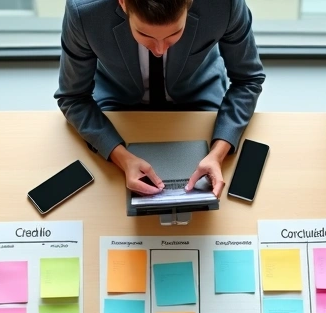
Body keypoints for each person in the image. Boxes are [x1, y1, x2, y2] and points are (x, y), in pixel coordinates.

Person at [56, 0, 265, 197]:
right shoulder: (84, 11)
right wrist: (122, 158)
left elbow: (247, 80)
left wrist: (217, 154)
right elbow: (74, 97)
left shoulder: (223, 4)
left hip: (198, 92)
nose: (159, 50)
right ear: (123, 3)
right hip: (117, 97)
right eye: (144, 34)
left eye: (174, 33)